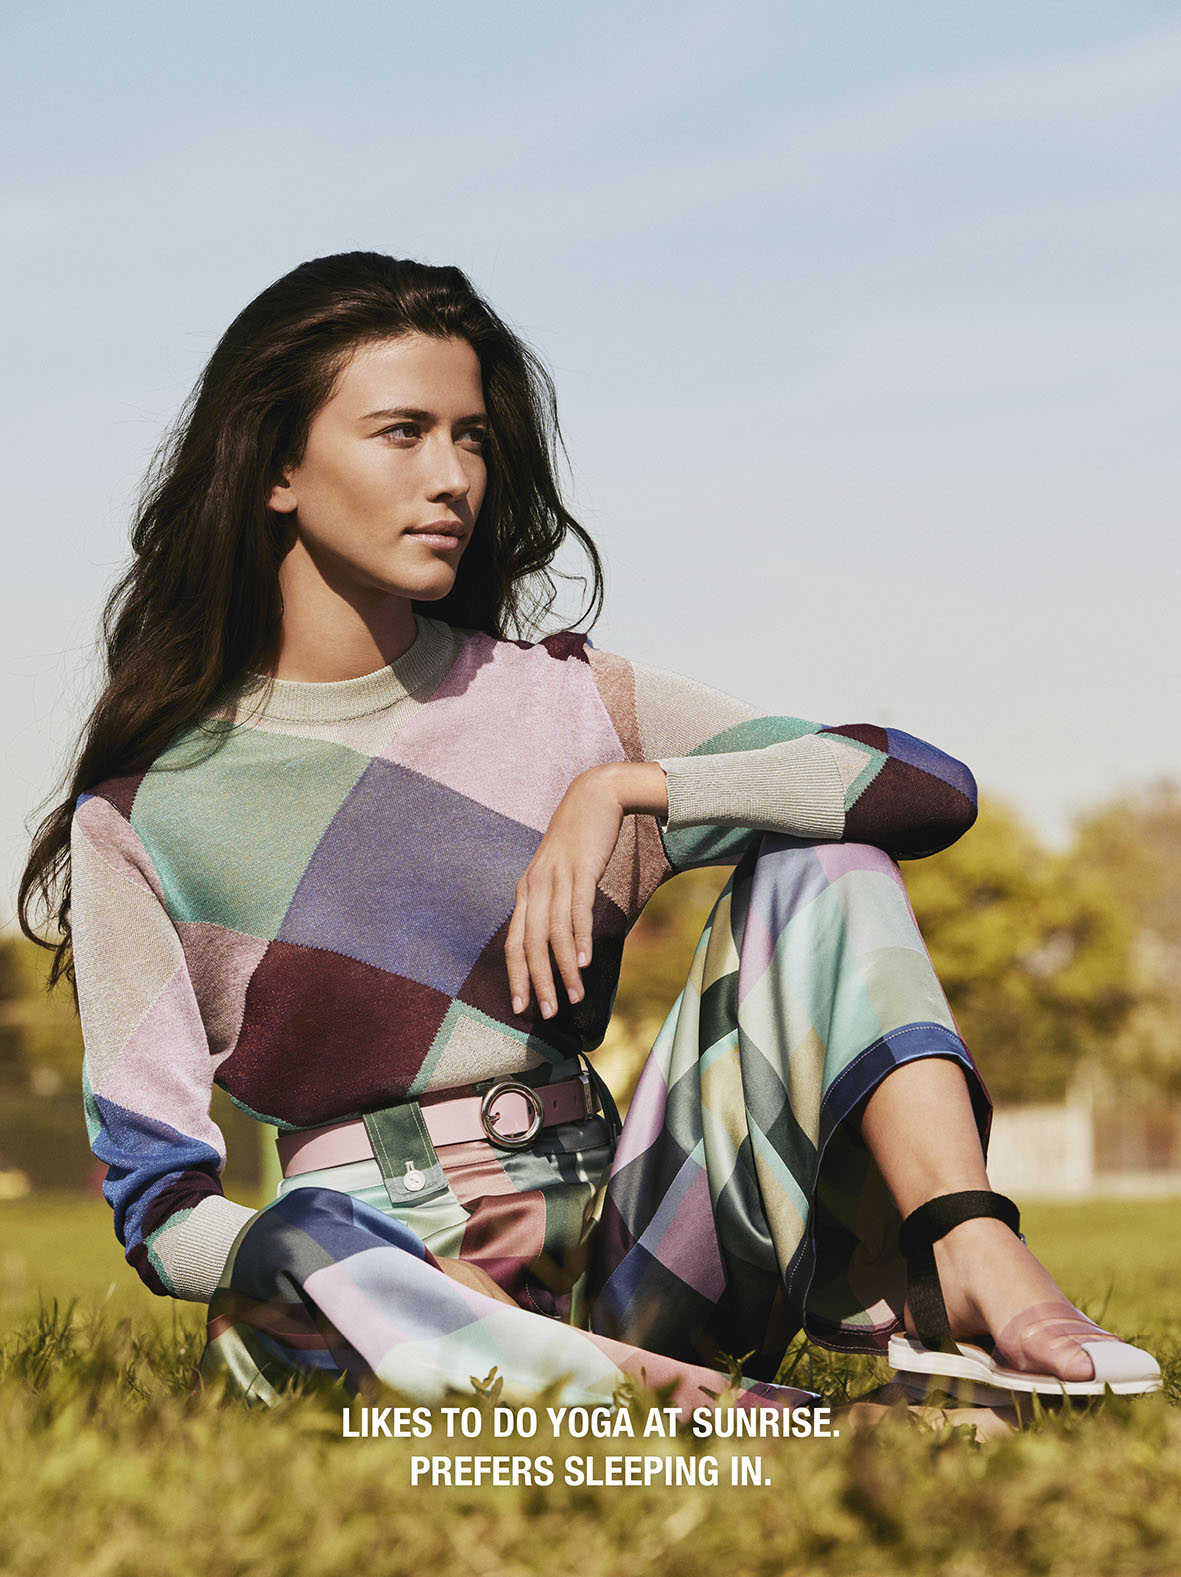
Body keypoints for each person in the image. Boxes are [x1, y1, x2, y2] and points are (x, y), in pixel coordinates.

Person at [20, 252, 1159, 1417]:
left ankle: (965, 1242)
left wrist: (628, 786)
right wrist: (359, 1260)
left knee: (826, 860)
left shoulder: (568, 705)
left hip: (636, 1250)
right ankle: (771, 1423)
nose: (452, 477)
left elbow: (919, 786)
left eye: (470, 437)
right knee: (300, 1249)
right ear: (276, 466)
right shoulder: (146, 813)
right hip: (383, 1289)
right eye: (402, 432)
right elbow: (163, 1208)